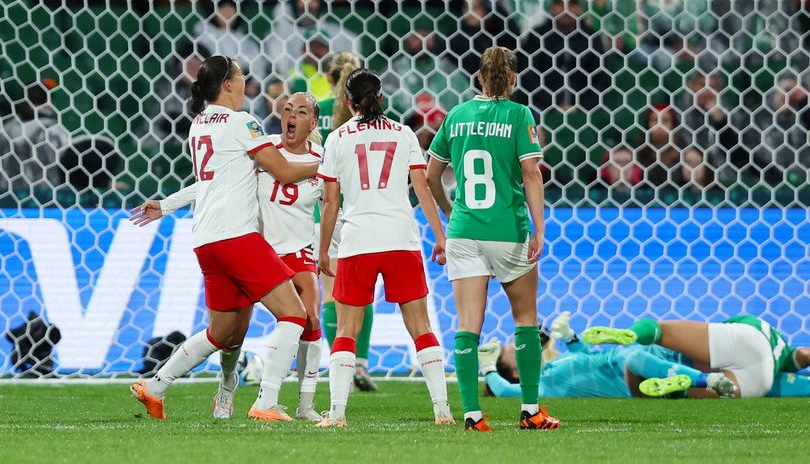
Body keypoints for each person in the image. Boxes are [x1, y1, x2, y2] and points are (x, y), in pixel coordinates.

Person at [128, 56, 318, 421]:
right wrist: (331, 166)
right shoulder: (241, 122)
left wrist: (167, 205)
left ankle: (155, 387)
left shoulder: (199, 124)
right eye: (241, 74)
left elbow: (211, 182)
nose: (246, 79)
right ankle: (265, 404)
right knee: (295, 314)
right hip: (237, 235)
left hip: (206, 239)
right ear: (229, 84)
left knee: (222, 333)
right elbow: (281, 171)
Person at [426, 46, 560, 432]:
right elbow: (532, 175)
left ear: (479, 78)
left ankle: (471, 414)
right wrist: (539, 228)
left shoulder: (457, 116)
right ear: (514, 78)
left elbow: (432, 175)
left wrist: (452, 215)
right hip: (507, 231)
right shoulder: (520, 115)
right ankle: (531, 411)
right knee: (525, 319)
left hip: (465, 232)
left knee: (468, 325)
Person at [315, 68, 453, 428]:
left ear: (347, 101)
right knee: (421, 326)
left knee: (346, 329)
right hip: (400, 239)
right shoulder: (404, 133)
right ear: (381, 98)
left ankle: (338, 414)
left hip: (357, 240)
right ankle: (442, 410)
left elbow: (331, 203)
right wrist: (440, 235)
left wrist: (324, 249)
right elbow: (422, 188)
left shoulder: (337, 139)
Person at [481, 312, 737, 399]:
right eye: (514, 349)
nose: (519, 343)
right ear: (516, 373)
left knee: (658, 348)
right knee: (637, 356)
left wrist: (570, 338)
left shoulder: (555, 365)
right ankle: (707, 381)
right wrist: (489, 368)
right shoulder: (544, 388)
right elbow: (504, 392)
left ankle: (701, 378)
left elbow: (588, 358)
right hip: (629, 380)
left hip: (627, 359)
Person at [315, 50, 380, 391]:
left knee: (330, 292)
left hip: (323, 211)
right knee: (362, 292)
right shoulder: (373, 118)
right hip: (362, 210)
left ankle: (338, 360)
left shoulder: (316, 113)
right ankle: (362, 363)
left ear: (328, 79)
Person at [583, 314, 810, 398]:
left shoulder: (748, 324)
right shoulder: (785, 356)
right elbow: (801, 356)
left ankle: (633, 333)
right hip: (762, 380)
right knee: (721, 387)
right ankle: (698, 381)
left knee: (660, 331)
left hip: (749, 338)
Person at [521, 0, 609, 112]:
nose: (565, 9)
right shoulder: (538, 35)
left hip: (587, 107)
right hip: (542, 106)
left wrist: (581, 106)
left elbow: (600, 77)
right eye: (559, 3)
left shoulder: (592, 37)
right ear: (551, 6)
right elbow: (528, 75)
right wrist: (553, 103)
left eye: (572, 4)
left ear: (580, 8)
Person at [0, 82, 70, 194]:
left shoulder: (8, 127)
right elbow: (64, 160)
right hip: (44, 197)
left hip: (9, 195)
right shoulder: (52, 129)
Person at [194, 1, 266, 81]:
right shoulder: (202, 39)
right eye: (222, 7)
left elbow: (258, 67)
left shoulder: (245, 40)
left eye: (231, 7)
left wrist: (253, 83)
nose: (227, 11)